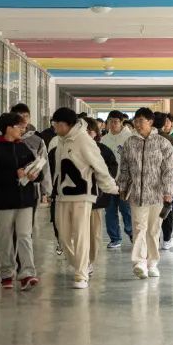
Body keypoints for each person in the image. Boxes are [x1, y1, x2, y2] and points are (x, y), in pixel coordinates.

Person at [48, 108, 118, 289]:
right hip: (62, 196)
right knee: (63, 237)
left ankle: (81, 275)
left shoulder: (84, 140)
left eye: (57, 124)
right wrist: (51, 190)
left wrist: (112, 188)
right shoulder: (59, 141)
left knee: (81, 235)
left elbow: (100, 166)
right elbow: (57, 171)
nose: (55, 128)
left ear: (67, 124)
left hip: (82, 195)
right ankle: (82, 264)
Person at [116, 107, 173, 279]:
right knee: (138, 228)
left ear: (150, 122)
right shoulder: (129, 143)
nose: (137, 124)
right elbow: (124, 167)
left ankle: (152, 263)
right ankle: (139, 263)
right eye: (136, 120)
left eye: (141, 120)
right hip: (136, 194)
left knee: (153, 230)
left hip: (157, 195)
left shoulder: (162, 143)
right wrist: (122, 187)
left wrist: (168, 192)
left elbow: (169, 170)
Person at [0, 112, 44, 292]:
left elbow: (38, 172)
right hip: (4, 201)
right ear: (8, 128)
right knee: (5, 237)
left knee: (25, 236)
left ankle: (27, 273)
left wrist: (35, 175)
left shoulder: (23, 147)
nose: (22, 130)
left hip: (26, 200)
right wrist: (14, 174)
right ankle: (6, 273)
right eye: (19, 126)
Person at [84, 117, 118, 275]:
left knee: (93, 232)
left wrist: (102, 182)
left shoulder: (103, 150)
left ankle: (89, 261)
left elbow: (111, 169)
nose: (86, 134)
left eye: (89, 131)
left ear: (95, 133)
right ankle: (80, 260)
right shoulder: (70, 148)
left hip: (96, 198)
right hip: (74, 198)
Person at [100, 110, 134, 248]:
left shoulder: (129, 138)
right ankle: (115, 238)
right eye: (110, 121)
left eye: (116, 122)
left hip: (125, 181)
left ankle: (132, 233)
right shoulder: (104, 140)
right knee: (110, 211)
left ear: (121, 123)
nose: (113, 124)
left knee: (126, 209)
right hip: (108, 181)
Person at [10, 103, 52, 205]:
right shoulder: (6, 138)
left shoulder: (37, 140)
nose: (24, 119)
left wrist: (45, 192)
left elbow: (44, 165)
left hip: (31, 189)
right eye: (20, 116)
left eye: (26, 116)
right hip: (9, 189)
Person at [154, 112, 173, 250]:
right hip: (166, 181)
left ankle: (155, 239)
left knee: (152, 212)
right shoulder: (169, 139)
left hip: (150, 183)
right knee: (166, 210)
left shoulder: (144, 138)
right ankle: (166, 239)